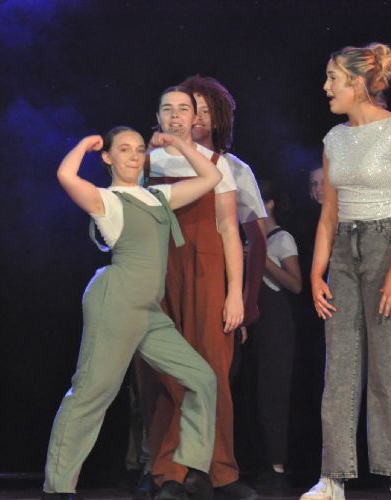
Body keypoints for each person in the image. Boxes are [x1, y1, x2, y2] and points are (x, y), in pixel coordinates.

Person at [42, 127, 222, 500]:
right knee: (92, 393)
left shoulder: (158, 197)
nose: (134, 156)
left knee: (202, 378)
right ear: (108, 158)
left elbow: (211, 176)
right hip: (116, 301)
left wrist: (180, 143)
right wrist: (84, 145)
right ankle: (57, 489)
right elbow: (65, 175)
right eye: (124, 150)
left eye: (139, 149)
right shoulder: (107, 200)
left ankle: (193, 471)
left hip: (148, 310)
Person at [301, 43, 391, 500]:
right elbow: (328, 215)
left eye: (332, 78)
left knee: (390, 365)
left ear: (356, 82)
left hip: (389, 246)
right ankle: (332, 477)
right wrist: (317, 273)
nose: (325, 86)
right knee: (340, 367)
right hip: (344, 255)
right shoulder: (334, 138)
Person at [143, 86, 258, 500]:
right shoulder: (146, 163)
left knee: (213, 371)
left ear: (196, 118)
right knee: (166, 373)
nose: (175, 116)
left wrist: (235, 292)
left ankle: (219, 472)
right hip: (159, 270)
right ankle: (168, 473)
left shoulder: (216, 163)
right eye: (167, 109)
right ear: (158, 116)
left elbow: (229, 228)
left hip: (206, 271)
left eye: (183, 109)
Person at [179, 75, 267, 329]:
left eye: (206, 111)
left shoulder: (236, 169)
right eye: (191, 110)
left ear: (219, 118)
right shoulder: (162, 163)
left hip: (215, 277)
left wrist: (248, 298)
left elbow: (257, 240)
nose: (198, 118)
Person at [248, 180, 301, 485]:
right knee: (257, 391)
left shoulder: (282, 239)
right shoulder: (251, 238)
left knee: (274, 391)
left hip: (278, 323)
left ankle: (278, 464)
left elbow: (296, 284)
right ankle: (261, 461)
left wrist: (262, 259)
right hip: (257, 323)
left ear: (268, 204)